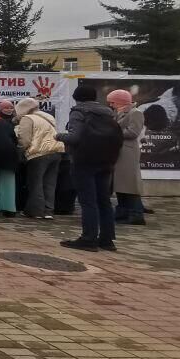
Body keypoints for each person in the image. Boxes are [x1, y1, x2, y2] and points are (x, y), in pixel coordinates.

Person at [58, 85, 124, 252]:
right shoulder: (108, 112)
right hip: (106, 160)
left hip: (84, 161)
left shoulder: (78, 111)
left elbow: (75, 137)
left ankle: (88, 239)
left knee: (88, 201)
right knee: (104, 201)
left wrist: (58, 136)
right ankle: (107, 240)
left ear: (76, 97)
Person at [15, 97, 63, 220]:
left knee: (35, 183)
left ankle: (36, 211)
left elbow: (24, 140)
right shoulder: (48, 117)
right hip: (56, 151)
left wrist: (21, 151)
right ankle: (48, 211)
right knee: (50, 183)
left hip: (38, 153)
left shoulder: (27, 119)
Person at [107, 89, 146, 227]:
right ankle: (122, 213)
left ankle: (136, 214)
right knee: (121, 185)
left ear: (120, 101)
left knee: (130, 185)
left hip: (128, 153)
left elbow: (133, 132)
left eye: (112, 102)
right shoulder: (119, 112)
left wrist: (112, 132)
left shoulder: (135, 113)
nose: (111, 105)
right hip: (120, 152)